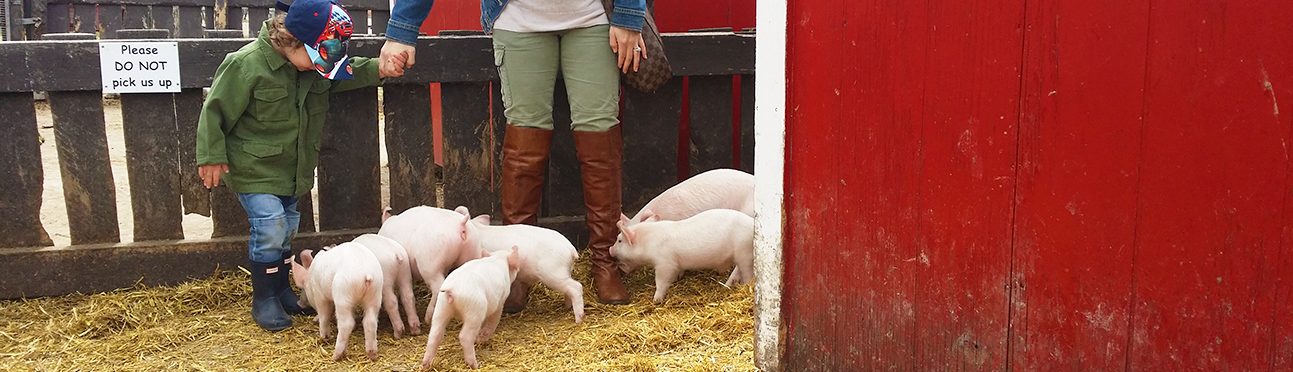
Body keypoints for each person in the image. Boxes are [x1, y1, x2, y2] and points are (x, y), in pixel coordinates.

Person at [379, 0, 648, 307]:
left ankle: (605, 261)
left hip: (595, 17)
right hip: (517, 19)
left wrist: (628, 15)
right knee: (525, 137)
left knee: (598, 131)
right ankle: (514, 268)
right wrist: (402, 29)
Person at [195, 0, 406, 331]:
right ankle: (264, 298)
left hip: (293, 171)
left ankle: (280, 289)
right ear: (292, 39)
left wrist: (380, 67)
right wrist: (210, 155)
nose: (320, 68)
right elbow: (215, 110)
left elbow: (345, 73)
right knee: (269, 227)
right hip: (255, 168)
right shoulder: (246, 65)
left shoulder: (311, 67)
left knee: (286, 230)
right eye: (317, 59)